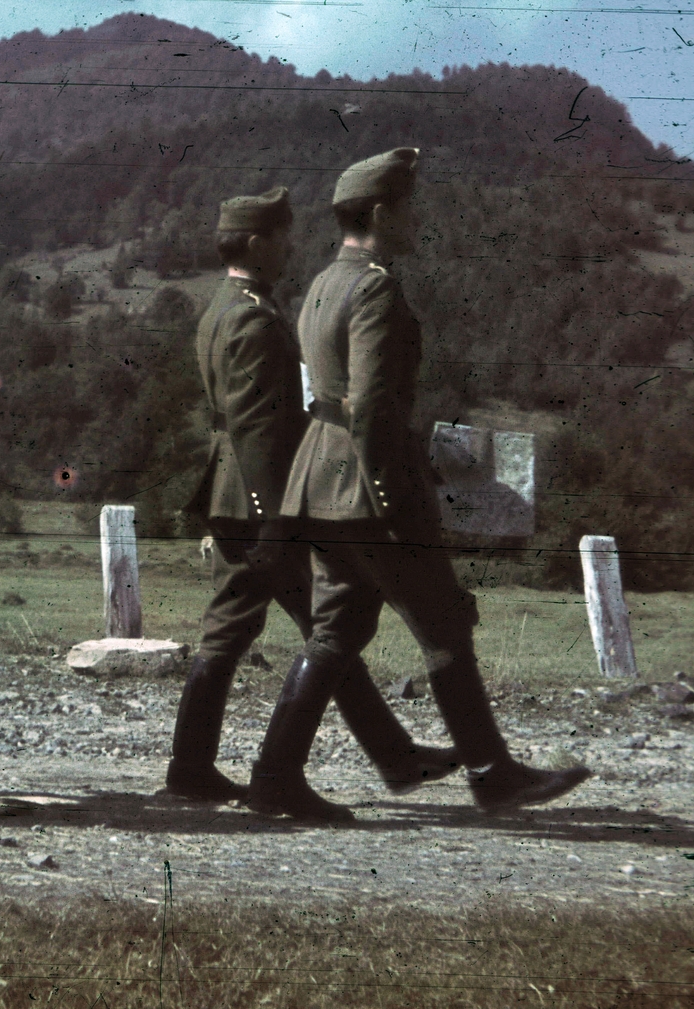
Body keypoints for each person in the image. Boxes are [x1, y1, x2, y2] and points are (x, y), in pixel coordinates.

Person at [247, 148, 591, 821]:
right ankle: (494, 775)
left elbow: (327, 391)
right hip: (370, 485)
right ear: (381, 212)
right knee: (443, 623)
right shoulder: (375, 286)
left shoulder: (320, 283)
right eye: (408, 208)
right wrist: (387, 488)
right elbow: (373, 402)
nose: (417, 219)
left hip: (318, 481)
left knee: (335, 630)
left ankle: (273, 777)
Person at [169, 187, 457, 805]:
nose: (289, 248)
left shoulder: (219, 307)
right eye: (281, 239)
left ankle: (195, 769)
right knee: (321, 631)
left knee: (295, 630)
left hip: (233, 495)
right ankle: (212, 773)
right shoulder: (251, 315)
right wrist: (279, 516)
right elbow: (254, 429)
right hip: (260, 501)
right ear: (257, 244)